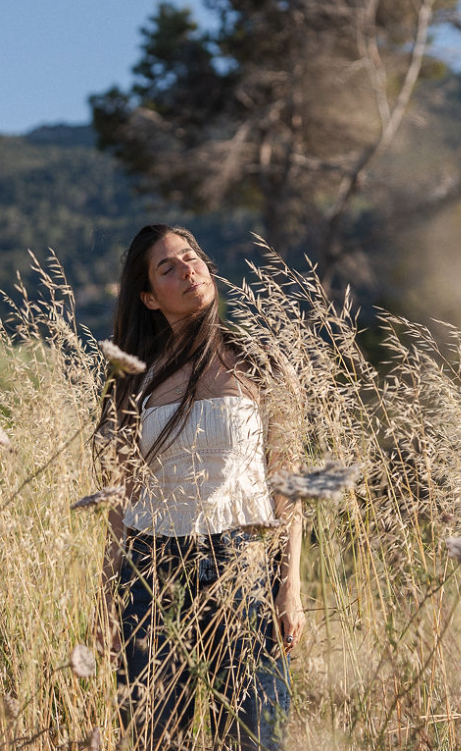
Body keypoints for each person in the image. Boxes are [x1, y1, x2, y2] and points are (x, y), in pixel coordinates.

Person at [96, 224, 305, 750]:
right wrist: (107, 600)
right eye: (167, 268)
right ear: (147, 297)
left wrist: (290, 586)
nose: (188, 270)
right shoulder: (132, 384)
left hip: (242, 562)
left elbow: (288, 484)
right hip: (150, 569)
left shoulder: (260, 362)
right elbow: (120, 505)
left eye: (191, 258)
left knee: (259, 736)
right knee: (154, 737)